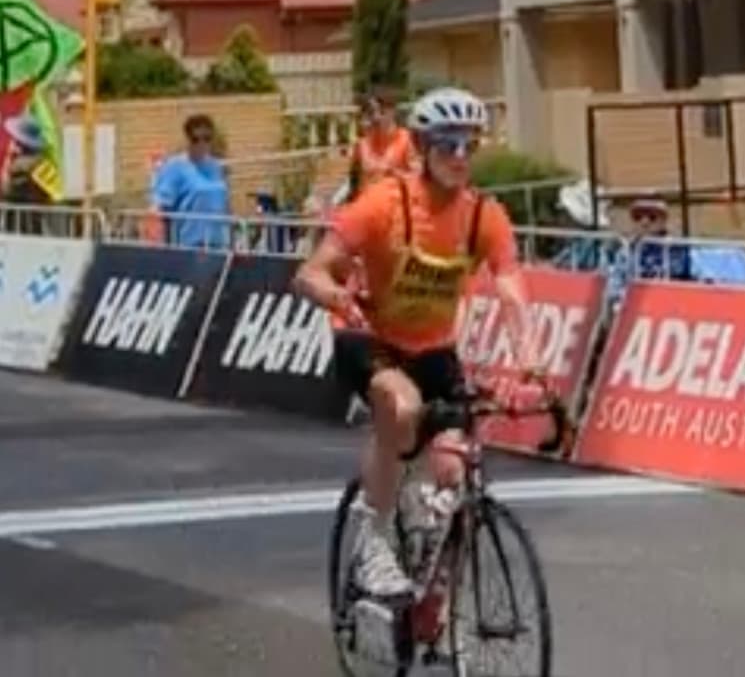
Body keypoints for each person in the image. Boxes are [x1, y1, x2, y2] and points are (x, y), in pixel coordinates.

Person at [292, 87, 538, 602]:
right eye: (448, 145)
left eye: (470, 145)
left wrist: (529, 363)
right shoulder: (385, 203)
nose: (460, 157)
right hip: (369, 335)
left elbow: (512, 289)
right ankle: (374, 542)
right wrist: (337, 294)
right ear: (424, 147)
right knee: (399, 408)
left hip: (432, 347)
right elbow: (308, 273)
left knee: (454, 471)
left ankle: (434, 595)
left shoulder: (483, 216)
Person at [149, 114, 231, 249]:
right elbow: (161, 207)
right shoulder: (175, 167)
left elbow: (225, 203)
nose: (201, 144)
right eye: (196, 139)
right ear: (187, 139)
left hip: (218, 243)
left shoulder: (215, 167)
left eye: (207, 138)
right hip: (189, 245)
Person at [347, 88, 416, 198]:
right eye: (372, 112)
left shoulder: (406, 141)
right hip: (367, 206)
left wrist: (395, 176)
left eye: (382, 112)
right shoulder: (363, 145)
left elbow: (418, 180)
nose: (376, 117)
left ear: (392, 111)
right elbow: (354, 183)